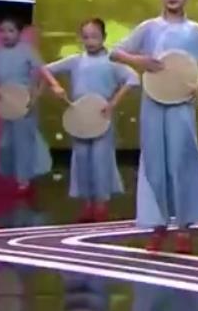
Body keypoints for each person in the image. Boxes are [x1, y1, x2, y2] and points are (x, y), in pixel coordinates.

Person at [111, 0, 198, 254]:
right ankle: (158, 224)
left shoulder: (195, 31)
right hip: (152, 103)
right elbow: (114, 51)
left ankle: (184, 227)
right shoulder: (149, 28)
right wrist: (138, 60)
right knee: (154, 162)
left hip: (182, 105)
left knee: (181, 161)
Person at [38, 18, 136, 222]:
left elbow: (133, 78)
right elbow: (44, 69)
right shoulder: (76, 60)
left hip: (102, 117)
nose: (90, 41)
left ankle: (101, 204)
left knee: (101, 159)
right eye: (86, 37)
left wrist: (113, 103)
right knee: (81, 159)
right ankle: (87, 203)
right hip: (80, 117)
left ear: (104, 37)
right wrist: (55, 86)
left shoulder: (112, 60)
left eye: (94, 37)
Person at [0, 17, 50, 198]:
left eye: (11, 30)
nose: (6, 34)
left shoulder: (28, 51)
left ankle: (24, 179)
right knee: (5, 142)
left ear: (19, 33)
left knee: (24, 142)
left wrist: (35, 96)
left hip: (25, 104)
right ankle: (14, 174)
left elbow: (44, 74)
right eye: (2, 30)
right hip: (5, 104)